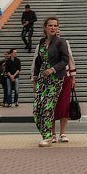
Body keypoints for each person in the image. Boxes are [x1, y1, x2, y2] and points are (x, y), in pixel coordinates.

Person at [32, 16, 69, 147]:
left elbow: (65, 60)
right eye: (50, 25)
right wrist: (35, 78)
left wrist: (53, 69)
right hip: (42, 79)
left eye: (55, 25)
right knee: (37, 109)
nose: (53, 28)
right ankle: (44, 134)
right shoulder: (42, 42)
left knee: (48, 107)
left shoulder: (61, 42)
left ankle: (48, 138)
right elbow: (38, 62)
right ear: (45, 28)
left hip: (55, 79)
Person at [51, 35, 77, 143]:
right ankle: (52, 134)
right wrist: (34, 80)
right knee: (50, 106)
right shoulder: (43, 45)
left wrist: (73, 76)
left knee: (64, 105)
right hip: (50, 79)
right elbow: (36, 61)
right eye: (51, 26)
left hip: (65, 77)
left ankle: (62, 133)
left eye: (57, 28)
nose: (55, 30)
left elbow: (70, 58)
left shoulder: (65, 43)